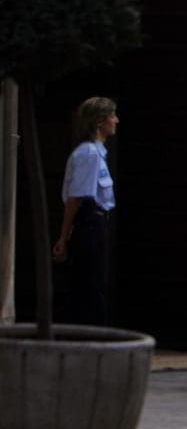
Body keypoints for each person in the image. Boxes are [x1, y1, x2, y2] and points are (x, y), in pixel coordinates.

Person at [52, 96, 119, 326]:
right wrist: (64, 237)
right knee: (90, 287)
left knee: (95, 284)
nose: (116, 120)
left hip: (97, 225)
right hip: (89, 224)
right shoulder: (89, 154)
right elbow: (76, 199)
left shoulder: (98, 154)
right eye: (112, 116)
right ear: (99, 121)